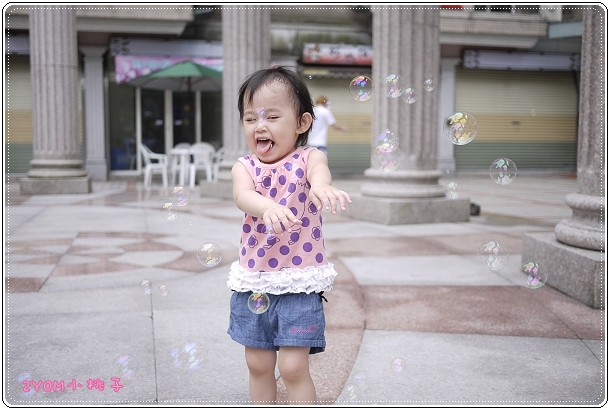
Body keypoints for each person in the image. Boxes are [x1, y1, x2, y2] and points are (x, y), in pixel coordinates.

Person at [227, 66, 352, 405]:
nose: (260, 126)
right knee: (258, 363)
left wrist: (321, 186)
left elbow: (319, 172)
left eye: (271, 117)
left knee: (294, 367)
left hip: (299, 282)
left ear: (302, 123)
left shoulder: (309, 157)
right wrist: (266, 206)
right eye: (250, 119)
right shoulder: (244, 166)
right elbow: (242, 195)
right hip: (255, 281)